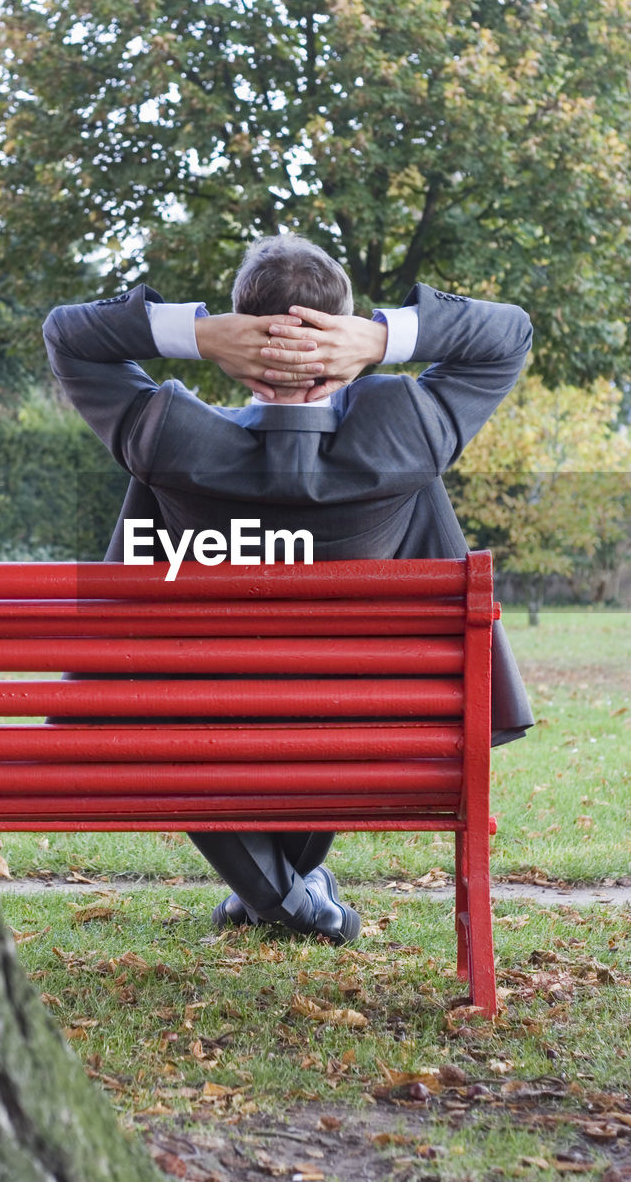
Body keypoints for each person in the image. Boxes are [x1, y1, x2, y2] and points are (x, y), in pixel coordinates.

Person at [42, 234, 534, 945]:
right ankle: (292, 899)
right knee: (332, 700)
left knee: (171, 718)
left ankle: (286, 902)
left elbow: (68, 334)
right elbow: (507, 333)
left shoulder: (167, 438)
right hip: (366, 723)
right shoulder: (407, 434)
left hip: (196, 727)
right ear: (343, 337)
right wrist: (379, 339)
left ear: (241, 349)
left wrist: (198, 336)